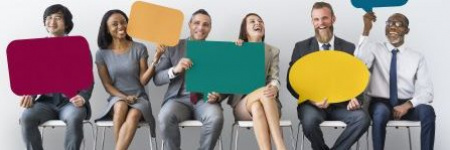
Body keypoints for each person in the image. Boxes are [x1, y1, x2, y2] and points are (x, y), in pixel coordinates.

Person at [286, 2, 370, 150]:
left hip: (342, 105)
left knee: (362, 118)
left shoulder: (348, 47)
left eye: (324, 18)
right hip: (312, 106)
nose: (321, 23)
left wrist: (356, 98)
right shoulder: (301, 47)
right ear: (312, 21)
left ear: (333, 19)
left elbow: (357, 77)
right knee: (309, 122)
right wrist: (311, 99)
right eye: (316, 19)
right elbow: (291, 82)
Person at [356, 12, 436, 150]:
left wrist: (408, 105)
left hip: (406, 105)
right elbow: (358, 62)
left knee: (428, 111)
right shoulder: (375, 48)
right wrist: (366, 30)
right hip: (380, 103)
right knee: (380, 113)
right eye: (389, 23)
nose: (393, 27)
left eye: (399, 24)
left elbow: (428, 92)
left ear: (407, 30)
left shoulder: (417, 57)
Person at [19, 4, 93, 150]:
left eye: (58, 18)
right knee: (26, 117)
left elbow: (88, 79)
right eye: (49, 17)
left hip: (71, 101)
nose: (52, 21)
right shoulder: (37, 49)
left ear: (66, 24)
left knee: (75, 117)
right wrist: (30, 96)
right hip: (45, 103)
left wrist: (83, 97)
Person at [153, 9, 225, 150]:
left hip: (205, 100)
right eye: (197, 23)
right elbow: (156, 79)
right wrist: (175, 70)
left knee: (216, 118)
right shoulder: (172, 47)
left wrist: (219, 95)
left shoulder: (217, 51)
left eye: (206, 24)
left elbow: (224, 82)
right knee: (164, 117)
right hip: (177, 100)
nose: (201, 27)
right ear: (189, 24)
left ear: (210, 28)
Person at [95, 9, 164, 150]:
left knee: (134, 115)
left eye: (123, 22)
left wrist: (155, 60)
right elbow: (107, 85)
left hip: (139, 98)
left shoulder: (139, 48)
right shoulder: (101, 53)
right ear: (107, 30)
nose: (121, 26)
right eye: (115, 24)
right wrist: (124, 97)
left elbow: (144, 80)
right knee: (120, 106)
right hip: (116, 98)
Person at [228, 13, 286, 150]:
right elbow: (228, 78)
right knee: (262, 93)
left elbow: (274, 78)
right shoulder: (237, 49)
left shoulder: (273, 51)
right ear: (245, 30)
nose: (258, 23)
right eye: (252, 21)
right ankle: (282, 147)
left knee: (257, 105)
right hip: (242, 104)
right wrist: (236, 53)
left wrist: (275, 88)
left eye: (260, 21)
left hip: (269, 102)